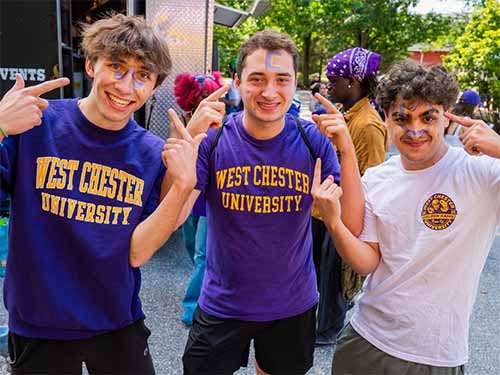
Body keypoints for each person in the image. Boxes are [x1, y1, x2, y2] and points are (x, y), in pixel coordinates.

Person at [0, 14, 203, 374]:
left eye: (143, 75)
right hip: (39, 325)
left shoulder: (151, 154)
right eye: (117, 67)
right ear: (91, 65)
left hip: (116, 323)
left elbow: (140, 251)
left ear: (154, 87)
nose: (127, 87)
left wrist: (184, 184)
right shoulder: (35, 125)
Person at [152, 29, 364, 375]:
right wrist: (188, 147)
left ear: (295, 83)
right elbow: (172, 222)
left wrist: (347, 150)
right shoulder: (214, 140)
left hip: (292, 306)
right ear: (237, 81)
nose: (269, 92)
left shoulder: (314, 143)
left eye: (282, 79)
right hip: (223, 303)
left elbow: (353, 227)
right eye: (257, 79)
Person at [311, 60, 500, 374]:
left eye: (428, 117)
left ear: (446, 117)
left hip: (438, 358)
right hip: (365, 344)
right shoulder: (377, 179)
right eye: (402, 117)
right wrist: (333, 221)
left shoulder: (482, 172)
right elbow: (366, 262)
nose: (415, 130)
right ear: (385, 118)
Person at [313, 47, 388, 346]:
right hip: (325, 211)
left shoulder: (367, 125)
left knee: (334, 278)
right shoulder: (346, 117)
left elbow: (373, 180)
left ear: (352, 83)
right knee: (323, 273)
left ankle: (328, 331)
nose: (330, 85)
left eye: (335, 79)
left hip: (344, 216)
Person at [173, 71, 223, 326]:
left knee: (202, 256)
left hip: (207, 203)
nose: (205, 98)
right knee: (193, 249)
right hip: (185, 199)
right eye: (201, 95)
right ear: (190, 98)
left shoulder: (221, 125)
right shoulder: (182, 121)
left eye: (209, 94)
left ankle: (192, 309)